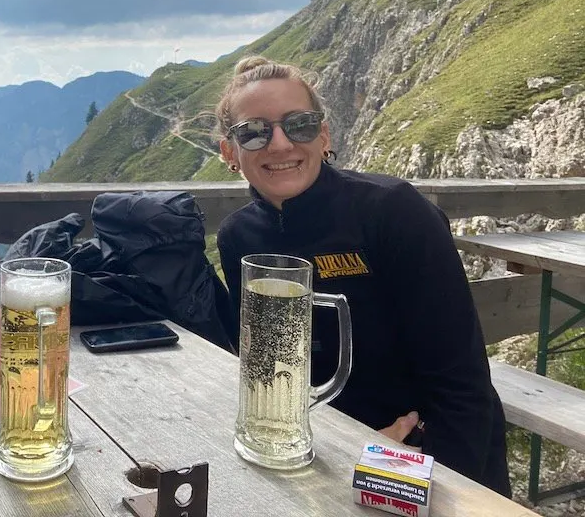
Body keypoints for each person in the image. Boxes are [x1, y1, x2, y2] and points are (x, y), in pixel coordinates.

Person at [214, 56, 510, 496]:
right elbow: (270, 373)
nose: (278, 144)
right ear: (229, 152)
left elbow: (461, 381)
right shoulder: (239, 237)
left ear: (325, 134)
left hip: (425, 453)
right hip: (316, 456)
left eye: (300, 124)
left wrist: (405, 472)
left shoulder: (393, 211)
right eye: (254, 132)